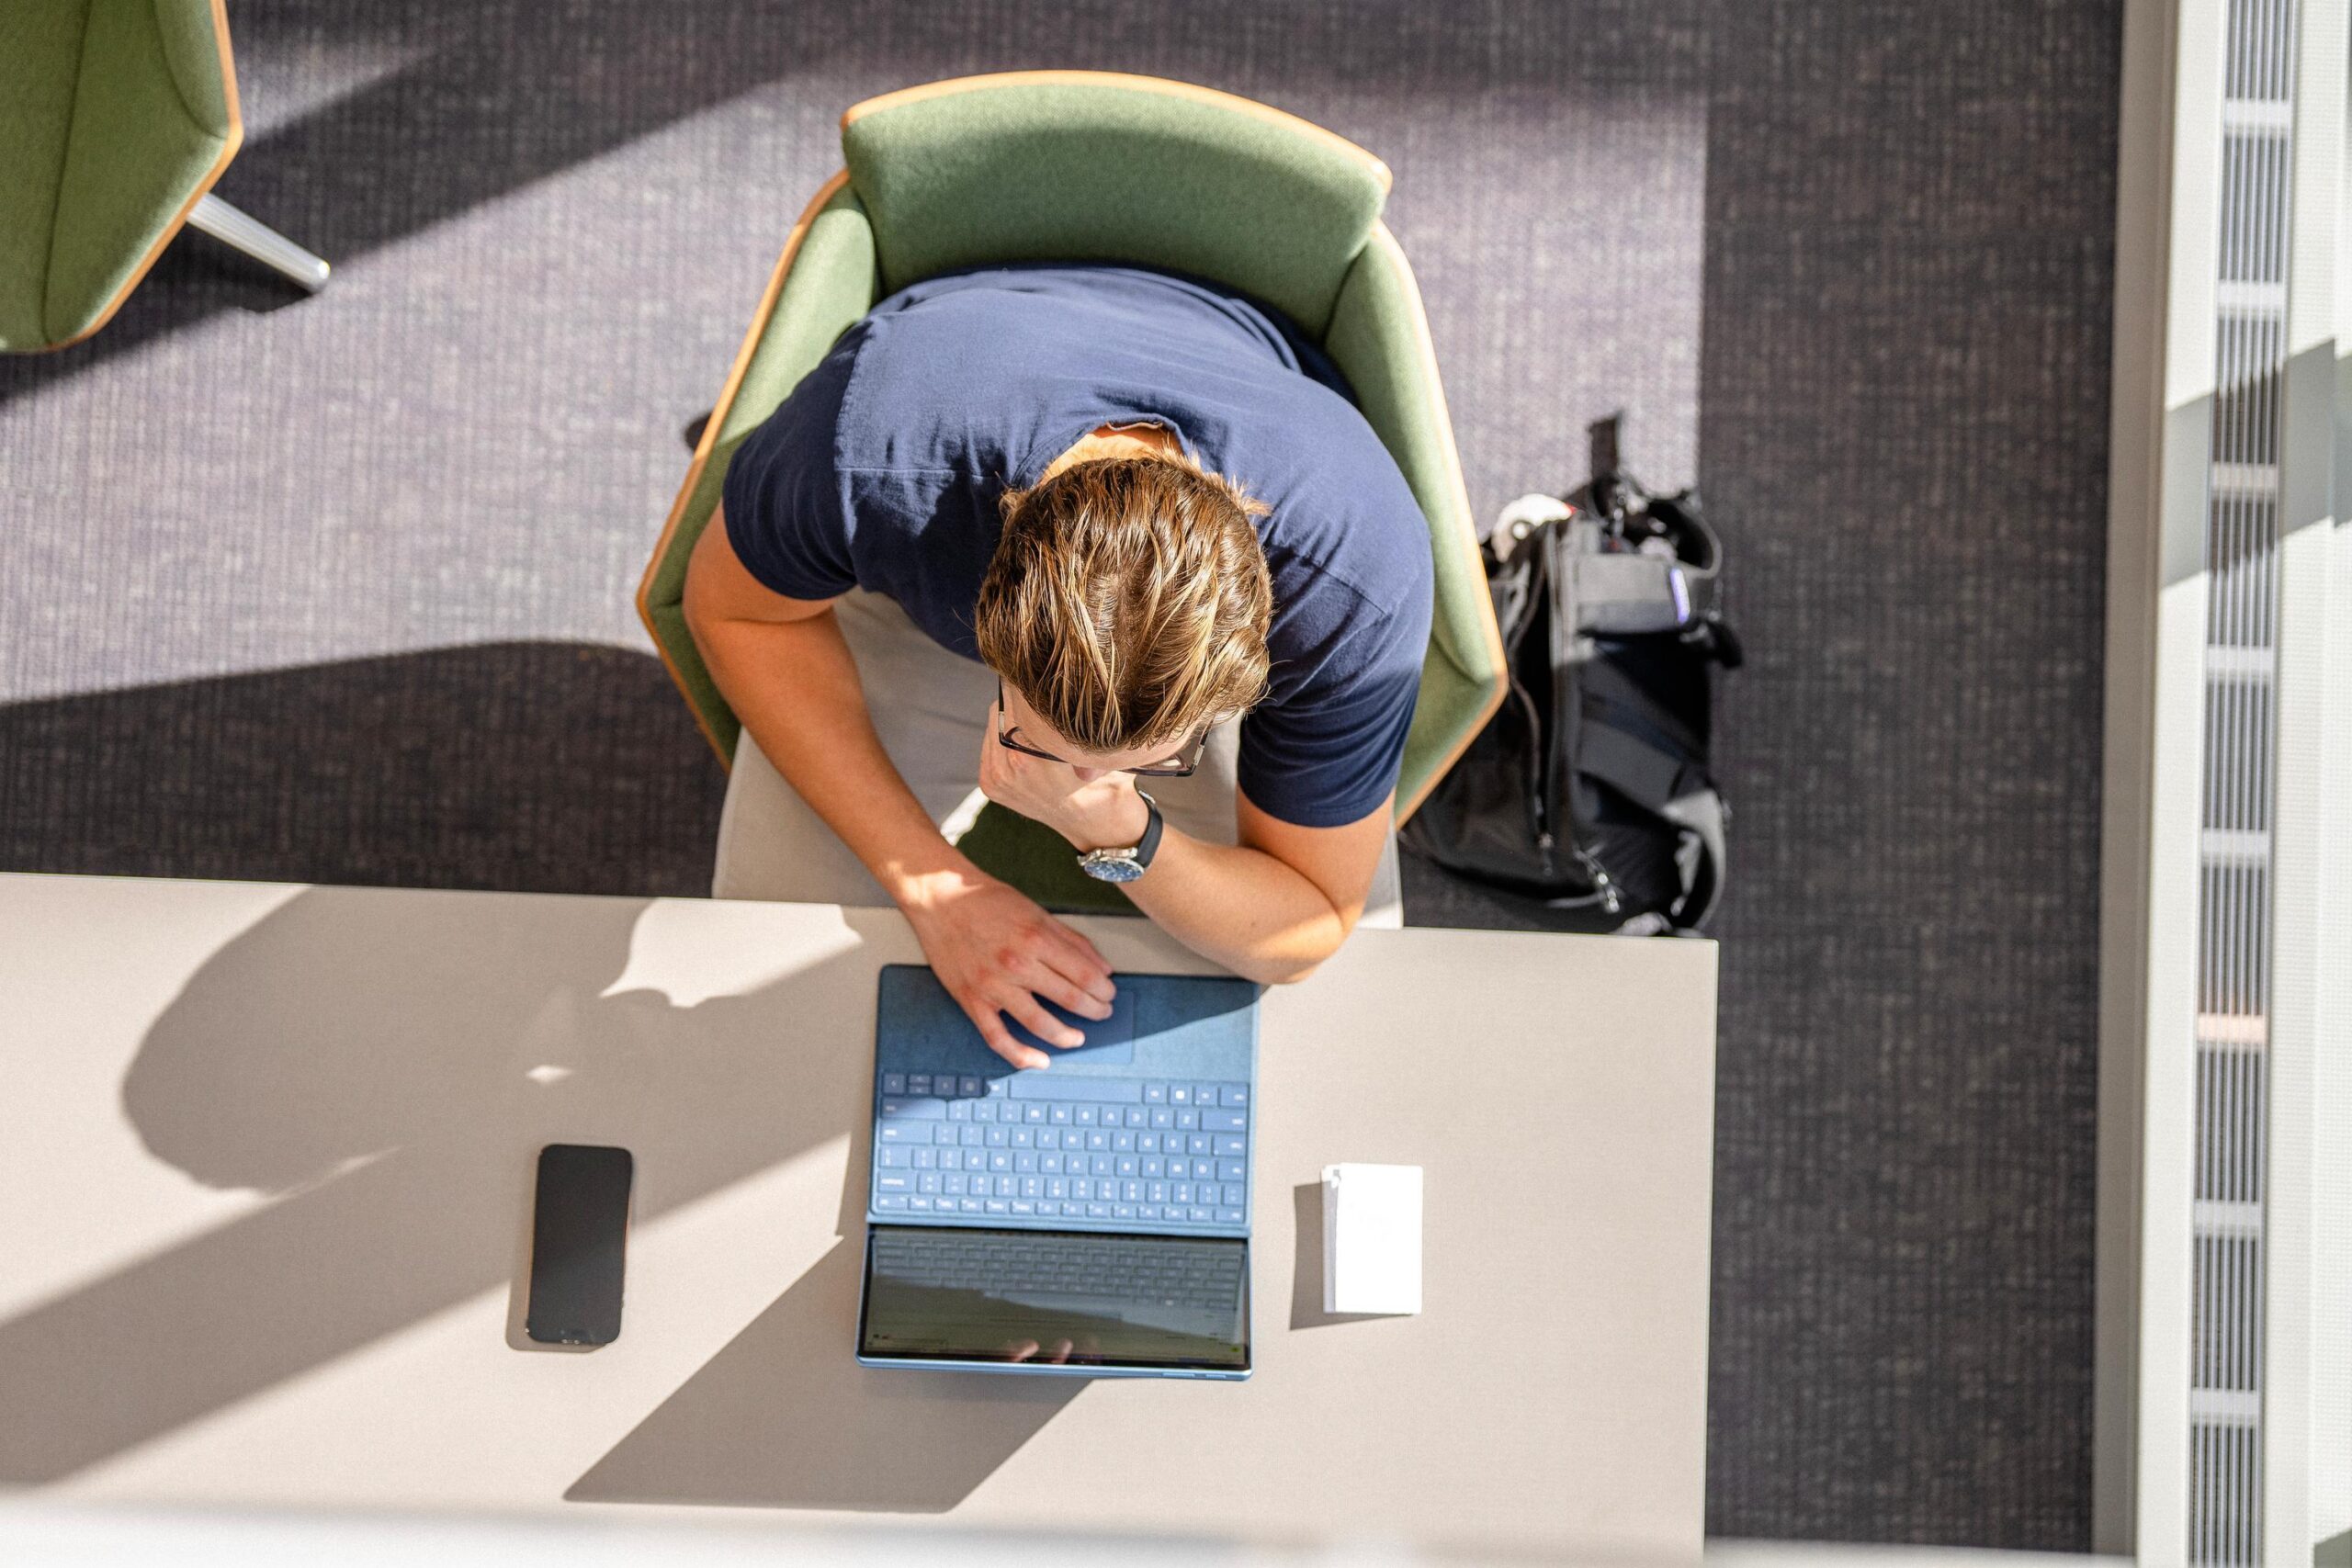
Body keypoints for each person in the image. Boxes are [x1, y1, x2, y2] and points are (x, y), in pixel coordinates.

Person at [684, 263, 1433, 1068]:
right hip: (958, 375)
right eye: (1041, 745)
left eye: (1157, 759)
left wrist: (1117, 829)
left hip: (1253, 379)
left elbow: (1310, 926)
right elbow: (731, 612)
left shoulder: (1354, 580)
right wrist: (936, 888)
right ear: (984, 618)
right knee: (775, 957)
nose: (1076, 783)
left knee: (1319, 1005)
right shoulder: (871, 456)